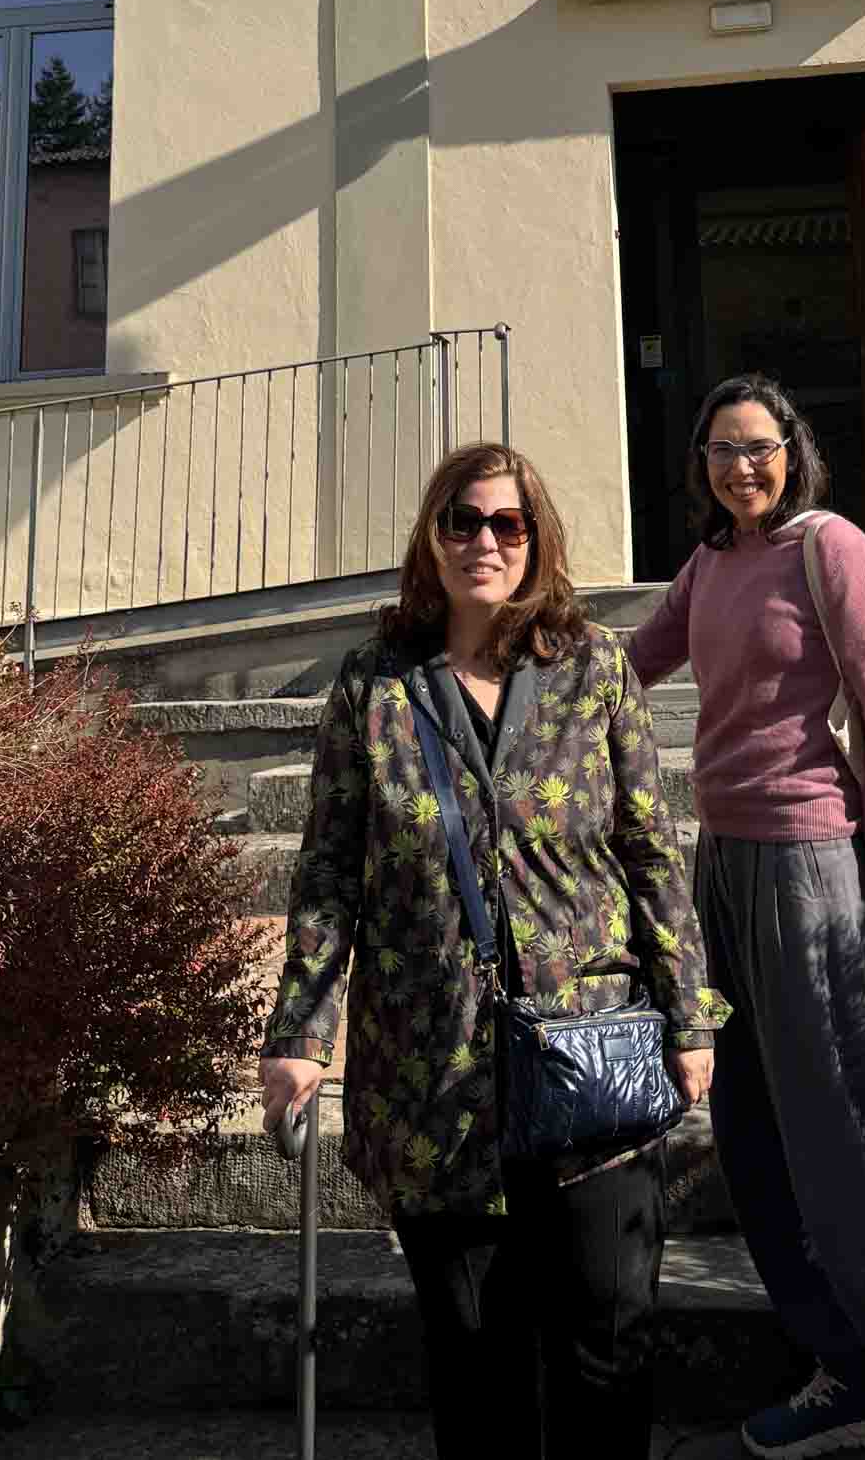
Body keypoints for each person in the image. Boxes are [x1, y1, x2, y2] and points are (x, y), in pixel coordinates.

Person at [259, 441, 720, 1460]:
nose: (484, 541)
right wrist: (299, 1031)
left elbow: (652, 846)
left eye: (507, 523)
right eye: (462, 520)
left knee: (606, 1345)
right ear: (433, 534)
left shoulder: (593, 667)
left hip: (590, 1056)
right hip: (437, 1075)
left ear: (538, 540)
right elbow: (330, 870)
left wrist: (691, 1015)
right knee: (476, 1360)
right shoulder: (375, 686)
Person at [630, 374, 865, 1460]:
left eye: (759, 447)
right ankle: (847, 1365)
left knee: (838, 1140)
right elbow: (626, 667)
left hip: (810, 868)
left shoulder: (831, 549)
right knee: (750, 1140)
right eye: (719, 450)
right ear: (700, 464)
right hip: (724, 864)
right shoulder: (711, 564)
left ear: (793, 451)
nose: (740, 467)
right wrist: (505, 668)